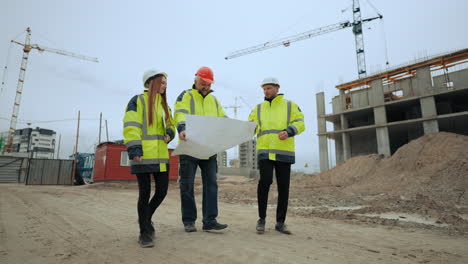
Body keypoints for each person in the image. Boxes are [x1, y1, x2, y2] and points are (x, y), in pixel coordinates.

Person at [123, 69, 175, 248]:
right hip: (143, 156)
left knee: (162, 191)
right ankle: (144, 232)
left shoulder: (164, 105)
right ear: (149, 83)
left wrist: (170, 133)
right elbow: (131, 126)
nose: (164, 86)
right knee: (144, 194)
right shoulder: (137, 101)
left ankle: (145, 218)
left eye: (165, 83)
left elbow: (171, 125)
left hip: (161, 157)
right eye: (161, 82)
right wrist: (135, 149)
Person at [174, 66, 228, 232]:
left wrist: (232, 128)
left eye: (208, 84)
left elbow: (222, 119)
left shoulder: (214, 101)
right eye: (203, 83)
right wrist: (182, 128)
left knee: (211, 184)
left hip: (208, 148)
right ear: (195, 80)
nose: (206, 87)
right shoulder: (186, 96)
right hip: (189, 147)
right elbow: (179, 113)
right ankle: (189, 221)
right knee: (187, 184)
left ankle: (209, 221)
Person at [248, 77, 305, 235]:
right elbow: (251, 126)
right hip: (265, 152)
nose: (266, 91)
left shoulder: (290, 105)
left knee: (284, 187)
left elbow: (301, 122)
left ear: (277, 88)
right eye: (264, 89)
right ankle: (261, 219)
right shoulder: (258, 108)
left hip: (283, 152)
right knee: (264, 182)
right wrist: (249, 127)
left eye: (269, 88)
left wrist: (289, 131)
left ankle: (280, 222)